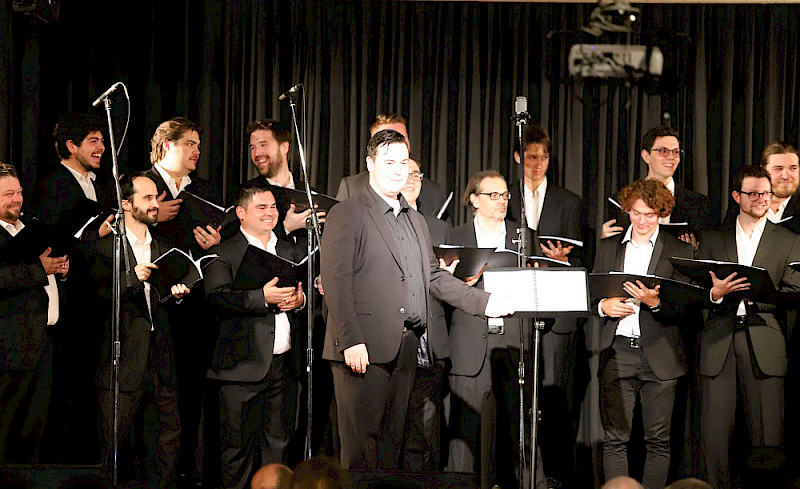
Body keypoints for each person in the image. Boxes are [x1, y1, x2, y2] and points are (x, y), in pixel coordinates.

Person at [320, 129, 511, 470]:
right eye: (389, 162)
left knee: (393, 453)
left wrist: (484, 303)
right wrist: (350, 339)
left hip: (405, 349)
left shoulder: (417, 220)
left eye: (403, 162)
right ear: (370, 164)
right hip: (362, 349)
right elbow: (336, 281)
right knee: (363, 455)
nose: (398, 170)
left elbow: (433, 277)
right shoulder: (348, 212)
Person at [84, 172, 190, 487]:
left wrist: (178, 294)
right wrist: (132, 278)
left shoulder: (166, 245)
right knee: (117, 444)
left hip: (161, 358)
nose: (156, 204)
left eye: (156, 197)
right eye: (147, 198)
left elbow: (166, 298)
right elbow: (94, 300)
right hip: (121, 361)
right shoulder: (105, 248)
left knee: (167, 437)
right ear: (126, 204)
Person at [697, 165, 800, 489]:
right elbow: (696, 293)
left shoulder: (789, 240)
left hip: (764, 342)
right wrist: (715, 294)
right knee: (715, 442)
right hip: (719, 344)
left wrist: (764, 292)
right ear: (736, 196)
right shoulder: (714, 239)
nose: (760, 199)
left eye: (765, 194)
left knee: (768, 440)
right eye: (753, 193)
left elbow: (795, 293)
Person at [592, 179, 695, 489]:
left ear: (661, 213)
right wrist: (603, 306)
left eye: (651, 214)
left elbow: (689, 308)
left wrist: (657, 303)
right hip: (618, 351)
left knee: (658, 441)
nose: (643, 221)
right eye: (637, 213)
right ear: (628, 210)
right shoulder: (609, 247)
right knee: (615, 439)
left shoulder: (679, 250)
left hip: (661, 354)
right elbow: (590, 296)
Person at [445, 170, 545, 489]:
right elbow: (438, 288)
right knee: (466, 432)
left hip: (514, 340)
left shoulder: (524, 235)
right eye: (493, 195)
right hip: (469, 342)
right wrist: (459, 284)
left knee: (517, 429)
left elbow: (539, 286)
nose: (501, 201)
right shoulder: (455, 234)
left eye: (505, 195)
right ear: (473, 200)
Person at [204, 181, 306, 489]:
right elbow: (215, 297)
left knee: (278, 450)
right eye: (261, 207)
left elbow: (304, 296)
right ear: (241, 213)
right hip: (240, 369)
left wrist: (299, 301)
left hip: (283, 367)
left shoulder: (290, 250)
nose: (270, 213)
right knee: (236, 454)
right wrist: (262, 298)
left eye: (273, 206)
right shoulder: (224, 252)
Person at [508, 125, 583, 484]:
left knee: (554, 401)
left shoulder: (568, 201)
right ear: (519, 158)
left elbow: (586, 262)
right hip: (518, 309)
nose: (539, 164)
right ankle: (521, 475)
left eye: (544, 157)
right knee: (519, 399)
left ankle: (554, 477)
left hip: (557, 313)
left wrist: (564, 261)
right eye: (532, 157)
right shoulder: (506, 197)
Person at [0, 162, 67, 462]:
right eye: (7, 194)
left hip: (42, 341)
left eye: (19, 192)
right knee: (5, 428)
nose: (16, 199)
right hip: (7, 347)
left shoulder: (31, 228)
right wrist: (38, 270)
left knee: (33, 430)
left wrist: (60, 270)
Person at [398, 157, 449, 470]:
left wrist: (450, 273)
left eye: (417, 173)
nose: (412, 178)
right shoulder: (381, 222)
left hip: (431, 338)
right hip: (395, 336)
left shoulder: (440, 227)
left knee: (427, 424)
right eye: (405, 172)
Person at [602, 126, 711, 249]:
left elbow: (706, 251)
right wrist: (607, 240)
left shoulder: (698, 204)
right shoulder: (620, 201)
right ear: (646, 156)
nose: (671, 157)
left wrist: (693, 250)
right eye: (663, 151)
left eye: (676, 152)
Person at [334, 113, 447, 219]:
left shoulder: (433, 193)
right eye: (386, 139)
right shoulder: (352, 187)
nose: (395, 144)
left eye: (400, 137)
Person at [722, 141, 800, 233]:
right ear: (763, 170)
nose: (785, 176)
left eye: (793, 168)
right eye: (778, 169)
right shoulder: (742, 205)